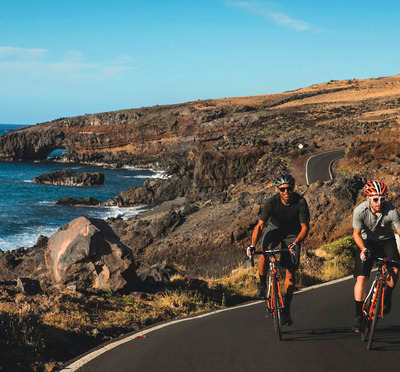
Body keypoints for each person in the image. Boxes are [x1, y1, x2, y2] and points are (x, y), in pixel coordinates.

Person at [247, 173, 310, 326]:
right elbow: (260, 226)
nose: (286, 192)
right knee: (265, 253)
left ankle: (286, 310)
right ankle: (262, 285)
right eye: (282, 189)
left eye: (289, 189)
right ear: (277, 189)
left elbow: (304, 228)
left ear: (293, 188)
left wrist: (296, 243)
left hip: (293, 233)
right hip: (274, 228)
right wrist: (252, 245)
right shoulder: (271, 202)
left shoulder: (300, 202)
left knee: (290, 273)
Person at [352, 180, 400, 332]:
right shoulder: (359, 211)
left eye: (382, 198)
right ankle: (359, 317)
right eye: (375, 199)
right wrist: (363, 249)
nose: (379, 202)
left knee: (395, 268)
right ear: (368, 198)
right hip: (366, 243)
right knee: (361, 278)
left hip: (387, 242)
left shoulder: (391, 211)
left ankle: (387, 296)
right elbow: (356, 234)